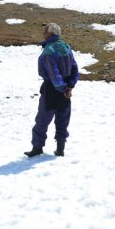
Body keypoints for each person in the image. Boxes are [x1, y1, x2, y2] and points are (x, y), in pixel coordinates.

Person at [25, 23, 79, 158]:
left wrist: (61, 88)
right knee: (62, 119)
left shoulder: (49, 50)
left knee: (43, 119)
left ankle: (37, 148)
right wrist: (69, 86)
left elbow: (53, 73)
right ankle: (60, 149)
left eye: (44, 31)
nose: (43, 34)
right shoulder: (66, 47)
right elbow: (74, 68)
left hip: (52, 90)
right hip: (65, 90)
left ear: (49, 33)